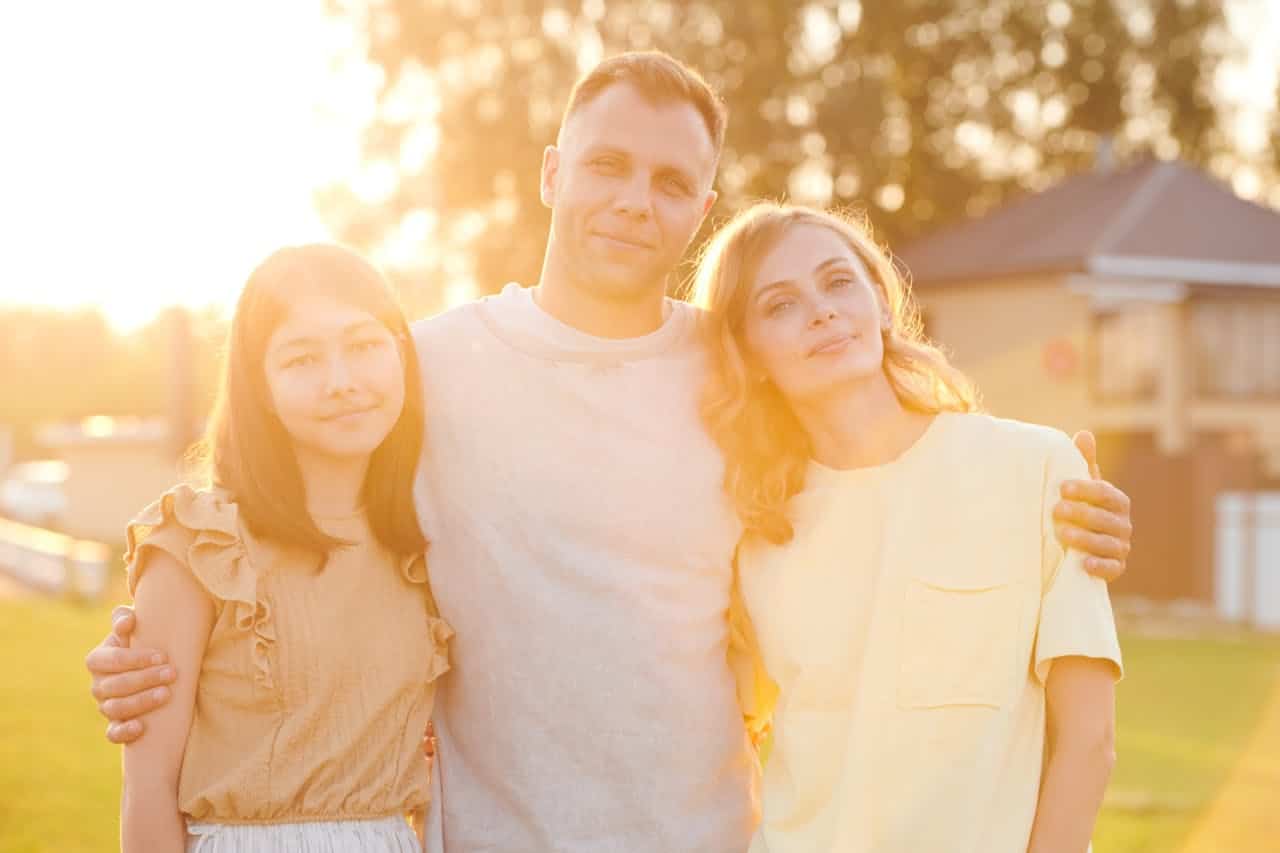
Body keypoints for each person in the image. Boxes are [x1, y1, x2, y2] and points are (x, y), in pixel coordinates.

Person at [87, 52, 1132, 853]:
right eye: (607, 166)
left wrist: (1061, 505)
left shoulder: (739, 373)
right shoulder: (428, 368)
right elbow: (282, 508)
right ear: (551, 173)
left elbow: (878, 476)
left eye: (672, 182)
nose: (636, 199)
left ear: (701, 209)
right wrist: (151, 652)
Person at [696, 202, 1123, 852]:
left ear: (882, 302)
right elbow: (733, 739)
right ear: (747, 352)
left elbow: (1089, 739)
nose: (822, 311)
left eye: (839, 282)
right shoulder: (753, 532)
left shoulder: (1037, 468)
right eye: (780, 304)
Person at [119, 244, 451, 852]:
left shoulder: (428, 542)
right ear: (261, 388)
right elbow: (146, 791)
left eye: (364, 346)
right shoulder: (200, 542)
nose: (342, 383)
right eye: (301, 358)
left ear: (402, 353)